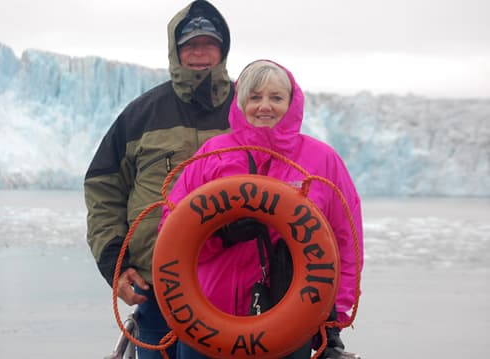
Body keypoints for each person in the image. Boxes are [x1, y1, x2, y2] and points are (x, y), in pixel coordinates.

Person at [160, 60, 364, 359]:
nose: (264, 106)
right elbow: (173, 236)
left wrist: (334, 319)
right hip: (205, 318)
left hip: (290, 321)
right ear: (241, 103)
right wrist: (223, 235)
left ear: (291, 102)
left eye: (276, 97)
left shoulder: (322, 161)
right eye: (255, 97)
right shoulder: (213, 155)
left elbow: (346, 242)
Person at [84, 1, 233, 358]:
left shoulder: (247, 108)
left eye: (208, 44)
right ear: (175, 50)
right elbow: (103, 191)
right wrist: (116, 268)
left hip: (233, 288)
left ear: (223, 50)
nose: (199, 54)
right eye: (190, 45)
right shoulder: (141, 115)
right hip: (156, 286)